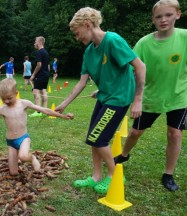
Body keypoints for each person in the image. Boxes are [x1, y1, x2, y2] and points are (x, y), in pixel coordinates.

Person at [56, 7, 146, 194]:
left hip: (119, 98)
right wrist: (64, 104)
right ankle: (96, 176)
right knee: (93, 138)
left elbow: (140, 67)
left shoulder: (112, 40)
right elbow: (81, 83)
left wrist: (138, 100)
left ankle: (114, 176)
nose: (76, 37)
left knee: (99, 138)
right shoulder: (89, 52)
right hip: (105, 96)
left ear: (87, 25)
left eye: (77, 33)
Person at [114, 0, 187, 191]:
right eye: (158, 16)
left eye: (168, 15)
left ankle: (168, 174)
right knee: (135, 132)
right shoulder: (144, 43)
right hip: (150, 97)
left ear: (178, 14)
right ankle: (124, 154)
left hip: (178, 97)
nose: (163, 20)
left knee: (174, 134)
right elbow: (131, 70)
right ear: (153, 19)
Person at [0, 78, 74, 175]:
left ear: (16, 93)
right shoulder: (2, 109)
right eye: (3, 99)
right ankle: (21, 158)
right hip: (11, 142)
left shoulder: (24, 103)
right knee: (13, 172)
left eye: (9, 98)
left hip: (23, 138)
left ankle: (32, 158)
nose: (6, 101)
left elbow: (45, 110)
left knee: (23, 156)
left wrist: (63, 116)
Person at [29, 36, 50, 117]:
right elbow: (48, 66)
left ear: (39, 42)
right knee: (43, 91)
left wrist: (33, 75)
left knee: (35, 92)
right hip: (46, 75)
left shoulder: (39, 52)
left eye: (35, 41)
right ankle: (45, 110)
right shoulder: (46, 52)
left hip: (40, 75)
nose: (34, 43)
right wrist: (47, 73)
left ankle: (38, 112)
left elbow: (39, 64)